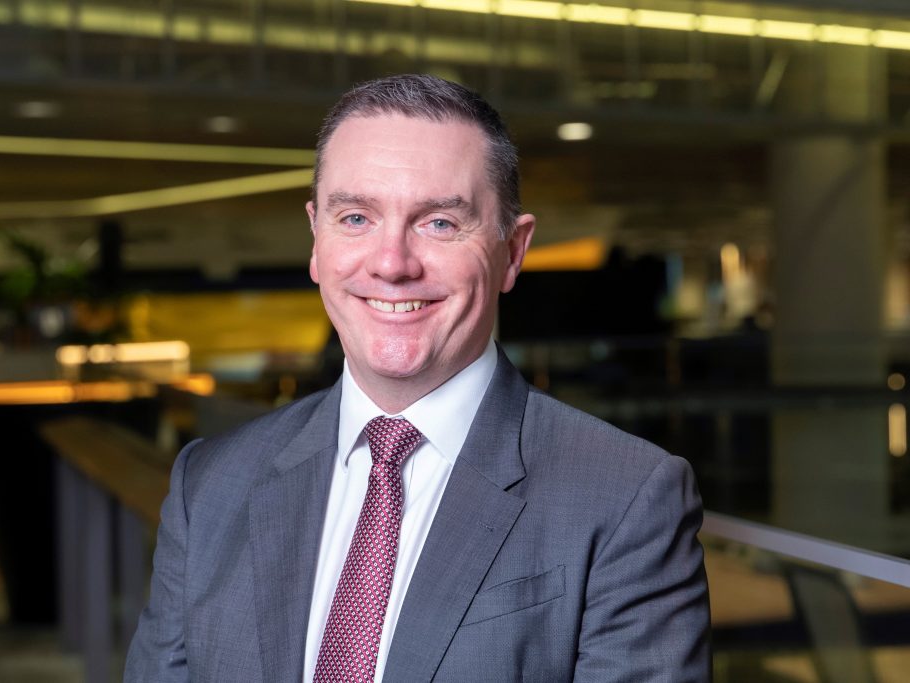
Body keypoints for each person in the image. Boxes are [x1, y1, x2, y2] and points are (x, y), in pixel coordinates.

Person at [125, 74, 710, 682]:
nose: (391, 264)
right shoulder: (211, 485)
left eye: (438, 223)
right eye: (355, 218)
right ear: (316, 240)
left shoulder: (626, 498)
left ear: (513, 251)